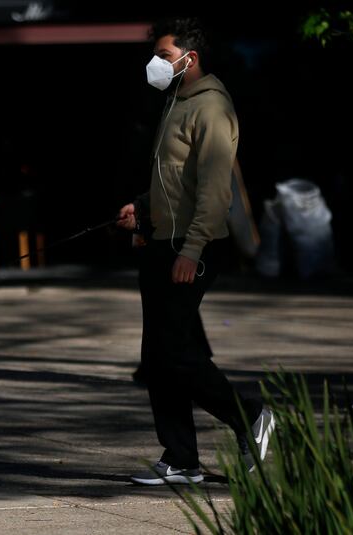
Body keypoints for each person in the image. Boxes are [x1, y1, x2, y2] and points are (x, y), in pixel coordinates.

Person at [116, 17, 274, 486]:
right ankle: (180, 457)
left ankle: (251, 417)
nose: (156, 64)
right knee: (158, 354)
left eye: (164, 56)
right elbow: (172, 179)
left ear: (191, 58)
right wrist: (142, 209)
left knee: (175, 352)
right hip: (161, 241)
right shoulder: (174, 102)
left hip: (193, 247)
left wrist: (193, 248)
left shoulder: (212, 108)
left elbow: (212, 190)